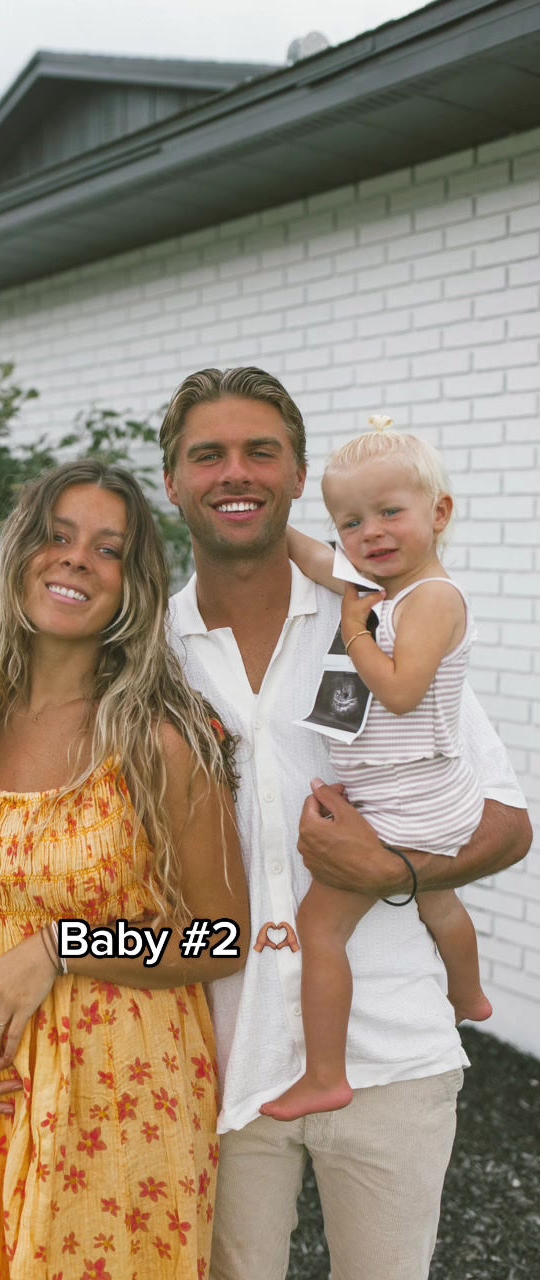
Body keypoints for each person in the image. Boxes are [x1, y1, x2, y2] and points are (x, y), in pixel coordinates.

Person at [159, 367, 531, 1280]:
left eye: (261, 452)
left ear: (296, 476)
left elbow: (507, 825)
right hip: (223, 1060)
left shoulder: (382, 619)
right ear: (171, 481)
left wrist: (394, 872)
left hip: (390, 1053)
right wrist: (60, 950)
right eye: (208, 455)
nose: (235, 473)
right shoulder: (149, 653)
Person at [0, 460, 249, 1280]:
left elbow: (222, 938)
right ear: (20, 553)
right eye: (57, 535)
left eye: (108, 549)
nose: (77, 558)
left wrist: (61, 946)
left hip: (115, 1107)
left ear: (133, 587)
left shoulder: (160, 739)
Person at [261, 416, 494, 1124]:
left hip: (410, 797)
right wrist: (272, 526)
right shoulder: (381, 584)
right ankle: (468, 994)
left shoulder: (431, 599)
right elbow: (315, 558)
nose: (370, 533)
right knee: (437, 900)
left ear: (439, 513)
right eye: (351, 521)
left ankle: (325, 1074)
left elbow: (400, 690)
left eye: (390, 512)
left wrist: (354, 629)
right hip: (415, 790)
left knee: (320, 928)